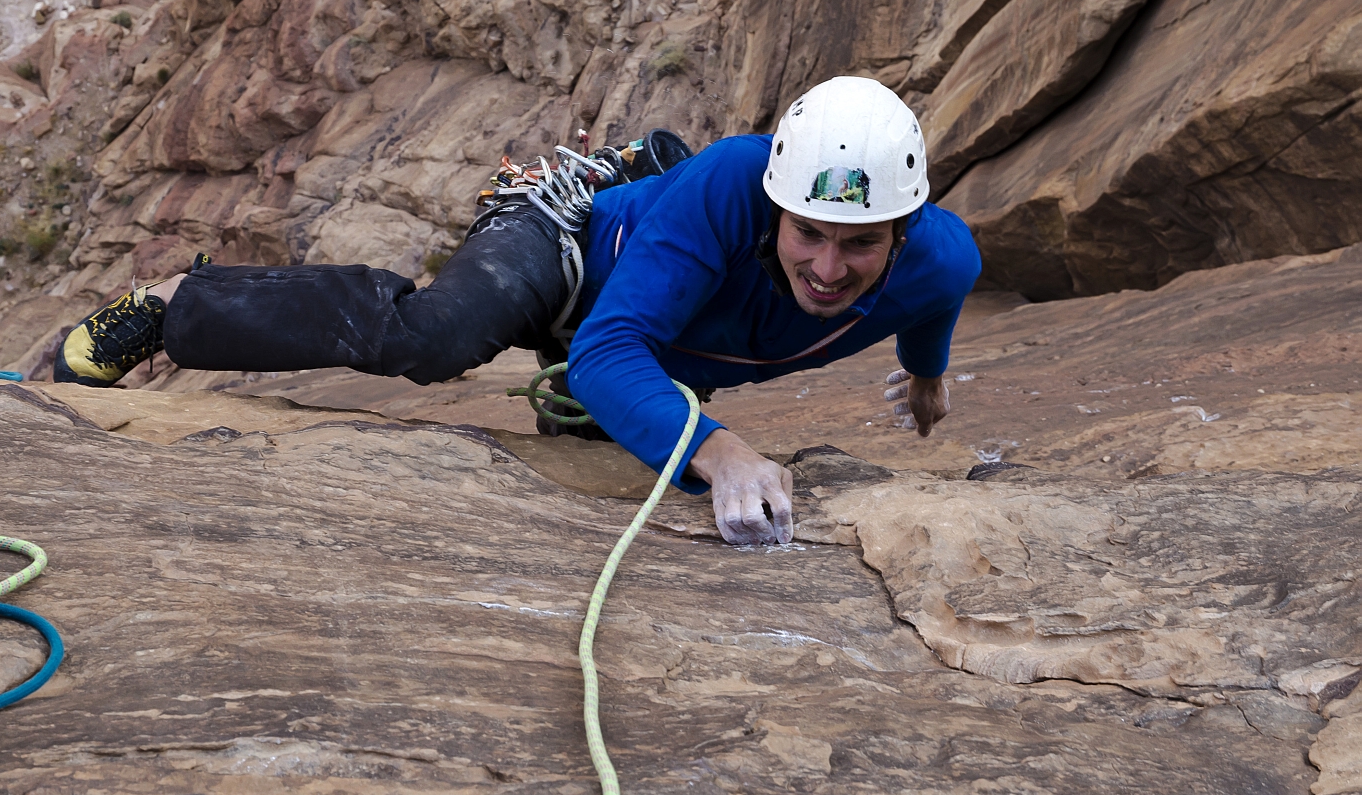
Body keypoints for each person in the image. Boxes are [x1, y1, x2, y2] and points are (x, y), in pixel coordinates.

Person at [54, 77, 981, 545]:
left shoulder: (940, 262)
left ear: (902, 234)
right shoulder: (735, 183)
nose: (827, 267)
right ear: (776, 205)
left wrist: (929, 377)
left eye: (859, 245)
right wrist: (724, 447)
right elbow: (614, 352)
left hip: (662, 336)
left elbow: (931, 310)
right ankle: (177, 306)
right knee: (436, 337)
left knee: (588, 453)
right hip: (572, 252)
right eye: (807, 234)